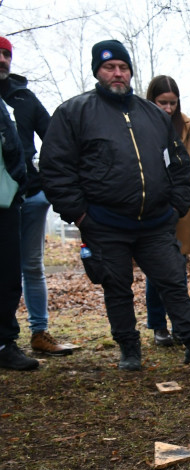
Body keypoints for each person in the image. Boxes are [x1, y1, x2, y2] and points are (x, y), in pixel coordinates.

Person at [38, 39, 190, 370]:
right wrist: (81, 215)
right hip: (105, 223)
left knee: (173, 283)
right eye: (109, 67)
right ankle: (129, 349)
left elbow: (180, 165)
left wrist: (175, 207)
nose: (117, 74)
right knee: (117, 287)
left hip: (155, 222)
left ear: (130, 72)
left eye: (123, 68)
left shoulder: (152, 114)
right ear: (98, 72)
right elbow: (55, 168)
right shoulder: (75, 113)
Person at [0, 35, 75, 357]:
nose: (2, 60)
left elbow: (55, 139)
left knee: (31, 265)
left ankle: (39, 333)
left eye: (6, 55)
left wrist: (46, 181)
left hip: (29, 195)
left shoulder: (24, 98)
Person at [143, 75, 190, 348]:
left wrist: (174, 196)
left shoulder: (188, 125)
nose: (167, 109)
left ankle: (181, 326)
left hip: (180, 207)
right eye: (162, 102)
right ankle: (158, 325)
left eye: (172, 103)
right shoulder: (139, 123)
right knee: (156, 269)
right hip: (150, 207)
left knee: (177, 267)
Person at [0, 94, 35, 370]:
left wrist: (19, 184)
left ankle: (4, 343)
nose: (2, 59)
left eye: (6, 54)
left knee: (9, 273)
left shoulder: (13, 101)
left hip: (7, 201)